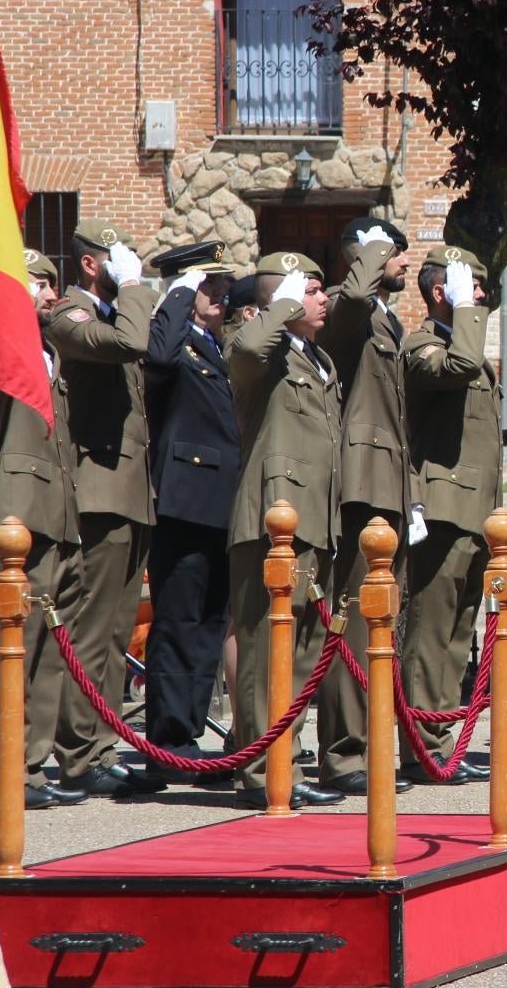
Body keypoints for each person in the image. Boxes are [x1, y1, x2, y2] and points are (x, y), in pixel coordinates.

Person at [46, 220, 164, 799]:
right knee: (91, 629)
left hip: (130, 493)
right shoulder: (67, 314)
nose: (130, 269)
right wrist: (137, 288)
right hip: (97, 493)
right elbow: (130, 345)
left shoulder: (118, 314)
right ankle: (76, 753)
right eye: (120, 258)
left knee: (117, 631)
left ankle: (100, 745)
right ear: (92, 264)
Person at [225, 251, 346, 809]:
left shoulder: (319, 360)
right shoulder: (260, 352)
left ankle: (285, 761)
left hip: (315, 521)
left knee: (301, 652)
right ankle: (258, 769)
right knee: (262, 649)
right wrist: (282, 304)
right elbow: (248, 348)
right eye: (313, 290)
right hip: (269, 521)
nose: (323, 300)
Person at [0, 250, 86, 810]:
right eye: (40, 286)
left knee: (47, 649)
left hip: (58, 511)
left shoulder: (50, 355)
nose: (50, 296)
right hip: (20, 514)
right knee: (11, 645)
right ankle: (0, 765)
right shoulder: (6, 357)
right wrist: (11, 297)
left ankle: (32, 762)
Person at [314, 217, 414, 796]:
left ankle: (374, 745)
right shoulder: (343, 308)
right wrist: (373, 249)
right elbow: (351, 293)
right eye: (391, 252)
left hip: (390, 480)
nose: (402, 260)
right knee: (354, 618)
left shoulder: (385, 317)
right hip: (361, 481)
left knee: (383, 620)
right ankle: (344, 753)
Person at [400, 246, 502, 785]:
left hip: (476, 510)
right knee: (430, 632)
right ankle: (421, 745)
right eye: (471, 285)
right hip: (441, 506)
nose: (481, 295)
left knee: (459, 634)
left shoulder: (469, 344)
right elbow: (458, 367)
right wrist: (465, 312)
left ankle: (443, 739)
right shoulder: (421, 344)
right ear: (442, 293)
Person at [140, 241, 239, 770]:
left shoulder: (213, 343)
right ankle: (168, 738)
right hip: (184, 500)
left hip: (221, 502)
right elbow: (156, 359)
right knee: (178, 621)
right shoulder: (173, 337)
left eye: (221, 285)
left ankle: (189, 732)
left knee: (208, 624)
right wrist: (177, 290)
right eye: (209, 285)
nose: (220, 294)